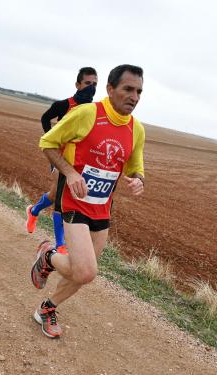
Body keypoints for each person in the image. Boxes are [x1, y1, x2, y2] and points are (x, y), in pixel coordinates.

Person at [30, 64, 146, 338]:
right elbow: (47, 142)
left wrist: (139, 179)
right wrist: (69, 173)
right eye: (128, 89)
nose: (134, 96)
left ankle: (47, 308)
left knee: (82, 272)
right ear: (110, 89)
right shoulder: (87, 114)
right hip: (74, 202)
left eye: (139, 91)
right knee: (86, 272)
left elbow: (135, 166)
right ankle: (48, 254)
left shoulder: (136, 130)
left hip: (102, 209)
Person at [26, 67, 98, 255]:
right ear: (78, 85)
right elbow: (45, 118)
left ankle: (34, 211)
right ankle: (61, 245)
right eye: (88, 84)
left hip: (80, 161)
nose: (92, 88)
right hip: (61, 159)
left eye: (95, 84)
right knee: (60, 199)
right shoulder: (64, 105)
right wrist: (53, 141)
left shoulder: (94, 110)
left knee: (54, 195)